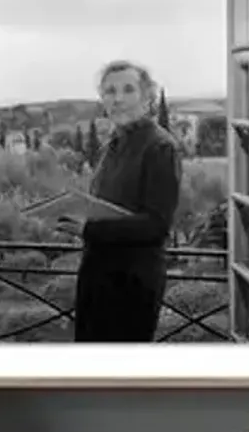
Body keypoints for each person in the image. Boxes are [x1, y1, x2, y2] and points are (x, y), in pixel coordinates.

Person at [57, 60, 183, 342]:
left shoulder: (160, 147)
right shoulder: (113, 145)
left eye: (128, 90)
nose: (118, 99)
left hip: (132, 284)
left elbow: (157, 225)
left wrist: (87, 229)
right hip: (97, 275)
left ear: (147, 97)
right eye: (110, 92)